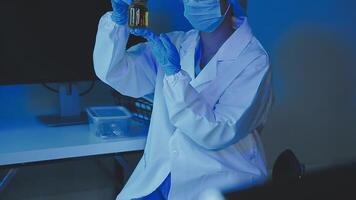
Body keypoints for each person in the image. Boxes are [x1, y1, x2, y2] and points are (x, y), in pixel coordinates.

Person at [93, 0, 272, 199]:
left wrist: (174, 75)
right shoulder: (177, 44)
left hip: (221, 182)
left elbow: (216, 133)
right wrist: (118, 23)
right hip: (160, 177)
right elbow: (115, 72)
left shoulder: (255, 61)